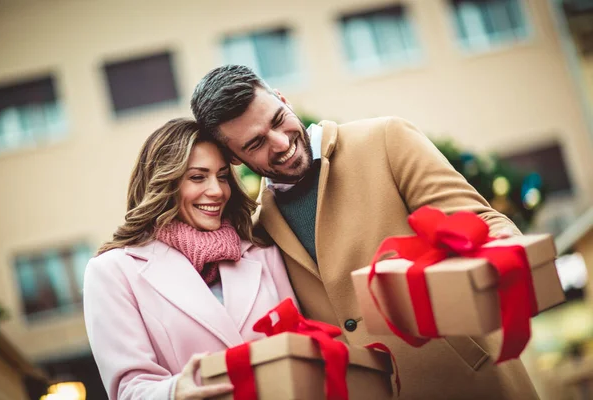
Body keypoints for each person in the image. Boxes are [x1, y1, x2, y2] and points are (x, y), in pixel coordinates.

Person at [190, 65, 540, 399]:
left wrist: (503, 252)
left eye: (279, 120)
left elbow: (482, 221)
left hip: (471, 380)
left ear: (282, 98)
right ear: (234, 158)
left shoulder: (385, 139)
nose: (280, 142)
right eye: (255, 144)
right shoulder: (262, 226)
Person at [83, 118, 298, 400]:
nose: (217, 191)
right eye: (197, 177)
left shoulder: (261, 251)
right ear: (164, 184)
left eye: (222, 176)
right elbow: (128, 389)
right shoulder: (112, 272)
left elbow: (300, 343)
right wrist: (173, 393)